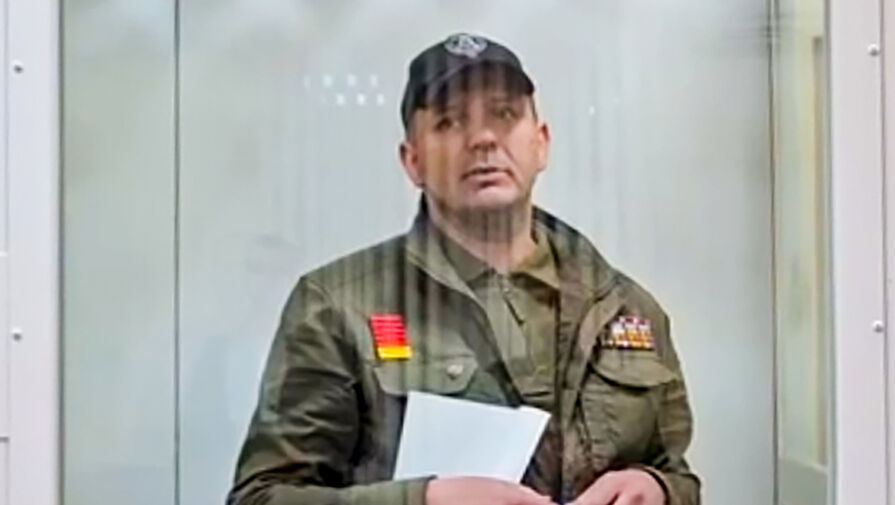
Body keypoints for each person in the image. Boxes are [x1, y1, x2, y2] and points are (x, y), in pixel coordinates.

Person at [227, 33, 700, 505]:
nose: (483, 139)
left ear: (541, 143)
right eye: (450, 122)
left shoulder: (623, 307)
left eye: (505, 114)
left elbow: (674, 470)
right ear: (413, 161)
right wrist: (424, 500)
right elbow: (260, 498)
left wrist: (658, 490)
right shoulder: (338, 307)